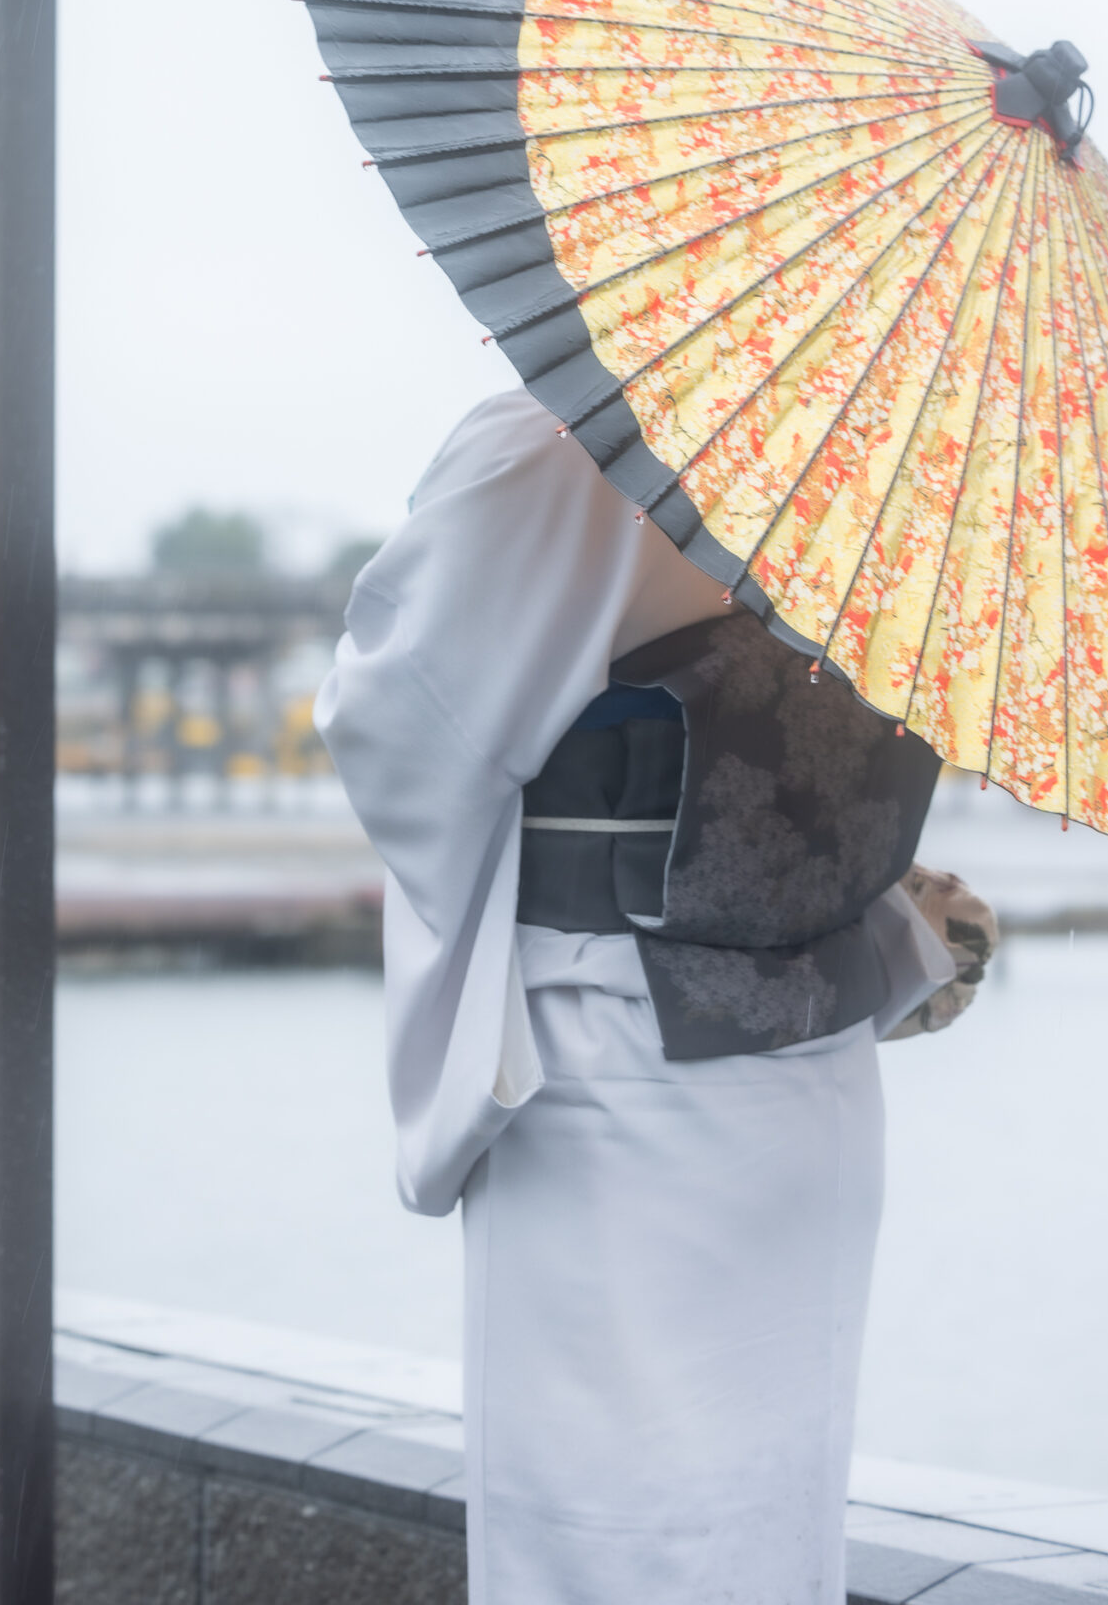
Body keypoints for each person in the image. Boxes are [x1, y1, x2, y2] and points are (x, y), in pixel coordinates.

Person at [317, 388, 976, 1605]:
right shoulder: (909, 438)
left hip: (615, 1031)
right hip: (812, 1049)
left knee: (607, 1522)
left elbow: (395, 718)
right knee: (763, 1514)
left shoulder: (566, 436)